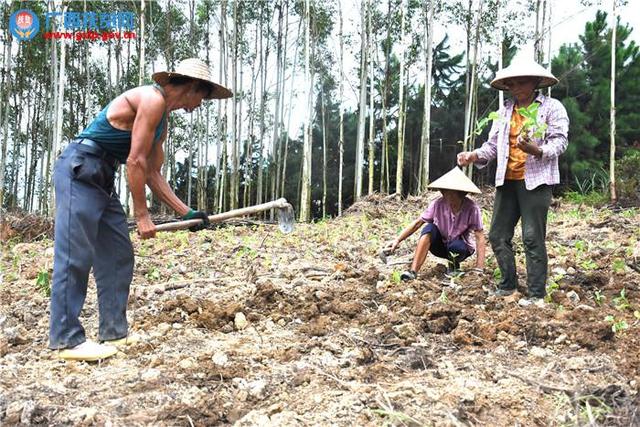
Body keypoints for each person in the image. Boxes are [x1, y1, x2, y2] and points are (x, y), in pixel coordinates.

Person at [50, 58, 232, 361]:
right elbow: (135, 162)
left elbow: (151, 173)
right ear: (191, 87)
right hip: (79, 168)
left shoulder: (162, 122)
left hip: (102, 176)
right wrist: (142, 214)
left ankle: (113, 333)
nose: (203, 103)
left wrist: (186, 213)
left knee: (119, 254)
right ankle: (66, 339)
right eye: (204, 96)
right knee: (76, 253)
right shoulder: (151, 99)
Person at [457, 58, 569, 307]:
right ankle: (508, 285)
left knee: (532, 236)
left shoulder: (551, 108)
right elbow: (493, 146)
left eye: (522, 82)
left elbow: (560, 142)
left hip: (536, 182)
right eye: (512, 84)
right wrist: (474, 155)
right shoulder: (505, 111)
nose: (517, 88)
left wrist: (536, 150)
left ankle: (537, 294)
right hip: (507, 181)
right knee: (497, 235)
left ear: (535, 82)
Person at [383, 167, 486, 281]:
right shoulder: (437, 204)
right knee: (429, 228)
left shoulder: (472, 208)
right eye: (446, 193)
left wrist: (479, 268)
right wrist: (397, 240)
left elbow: (479, 236)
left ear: (462, 194)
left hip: (461, 248)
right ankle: (413, 271)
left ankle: (453, 267)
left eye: (453, 194)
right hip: (440, 246)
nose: (449, 197)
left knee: (456, 246)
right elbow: (418, 223)